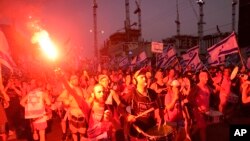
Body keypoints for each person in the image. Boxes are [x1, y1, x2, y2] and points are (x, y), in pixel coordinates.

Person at [118, 68, 161, 140]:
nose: (145, 79)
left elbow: (156, 107)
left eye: (145, 77)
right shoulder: (131, 94)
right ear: (135, 81)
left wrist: (158, 116)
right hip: (137, 132)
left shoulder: (152, 93)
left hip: (151, 130)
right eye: (141, 77)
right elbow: (120, 107)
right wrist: (128, 115)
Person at [57, 74, 87, 141]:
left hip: (82, 114)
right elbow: (59, 98)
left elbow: (87, 100)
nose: (75, 80)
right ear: (70, 81)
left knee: (82, 133)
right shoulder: (67, 91)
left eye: (76, 78)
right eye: (73, 79)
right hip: (73, 115)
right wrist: (65, 101)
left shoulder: (82, 90)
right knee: (74, 133)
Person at [188, 71, 214, 141]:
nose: (207, 79)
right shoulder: (197, 87)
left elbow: (214, 91)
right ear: (201, 78)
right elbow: (189, 98)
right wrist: (197, 107)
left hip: (206, 110)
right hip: (199, 112)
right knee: (203, 129)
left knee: (201, 127)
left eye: (207, 77)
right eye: (205, 77)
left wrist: (216, 84)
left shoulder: (207, 86)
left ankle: (190, 134)